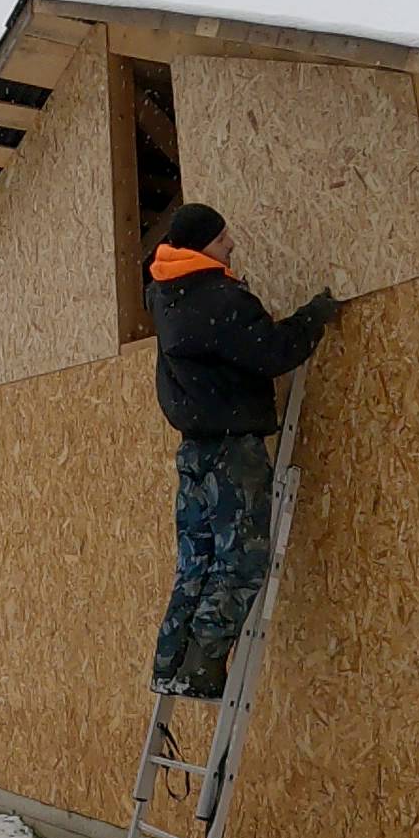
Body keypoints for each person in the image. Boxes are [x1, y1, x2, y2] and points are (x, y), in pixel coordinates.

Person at [144, 203, 340, 699]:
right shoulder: (217, 298)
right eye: (222, 239)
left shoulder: (165, 295)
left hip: (194, 451)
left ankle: (169, 664)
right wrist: (313, 317)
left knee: (197, 560)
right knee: (241, 562)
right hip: (232, 450)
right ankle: (203, 667)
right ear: (202, 245)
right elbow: (273, 352)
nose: (230, 245)